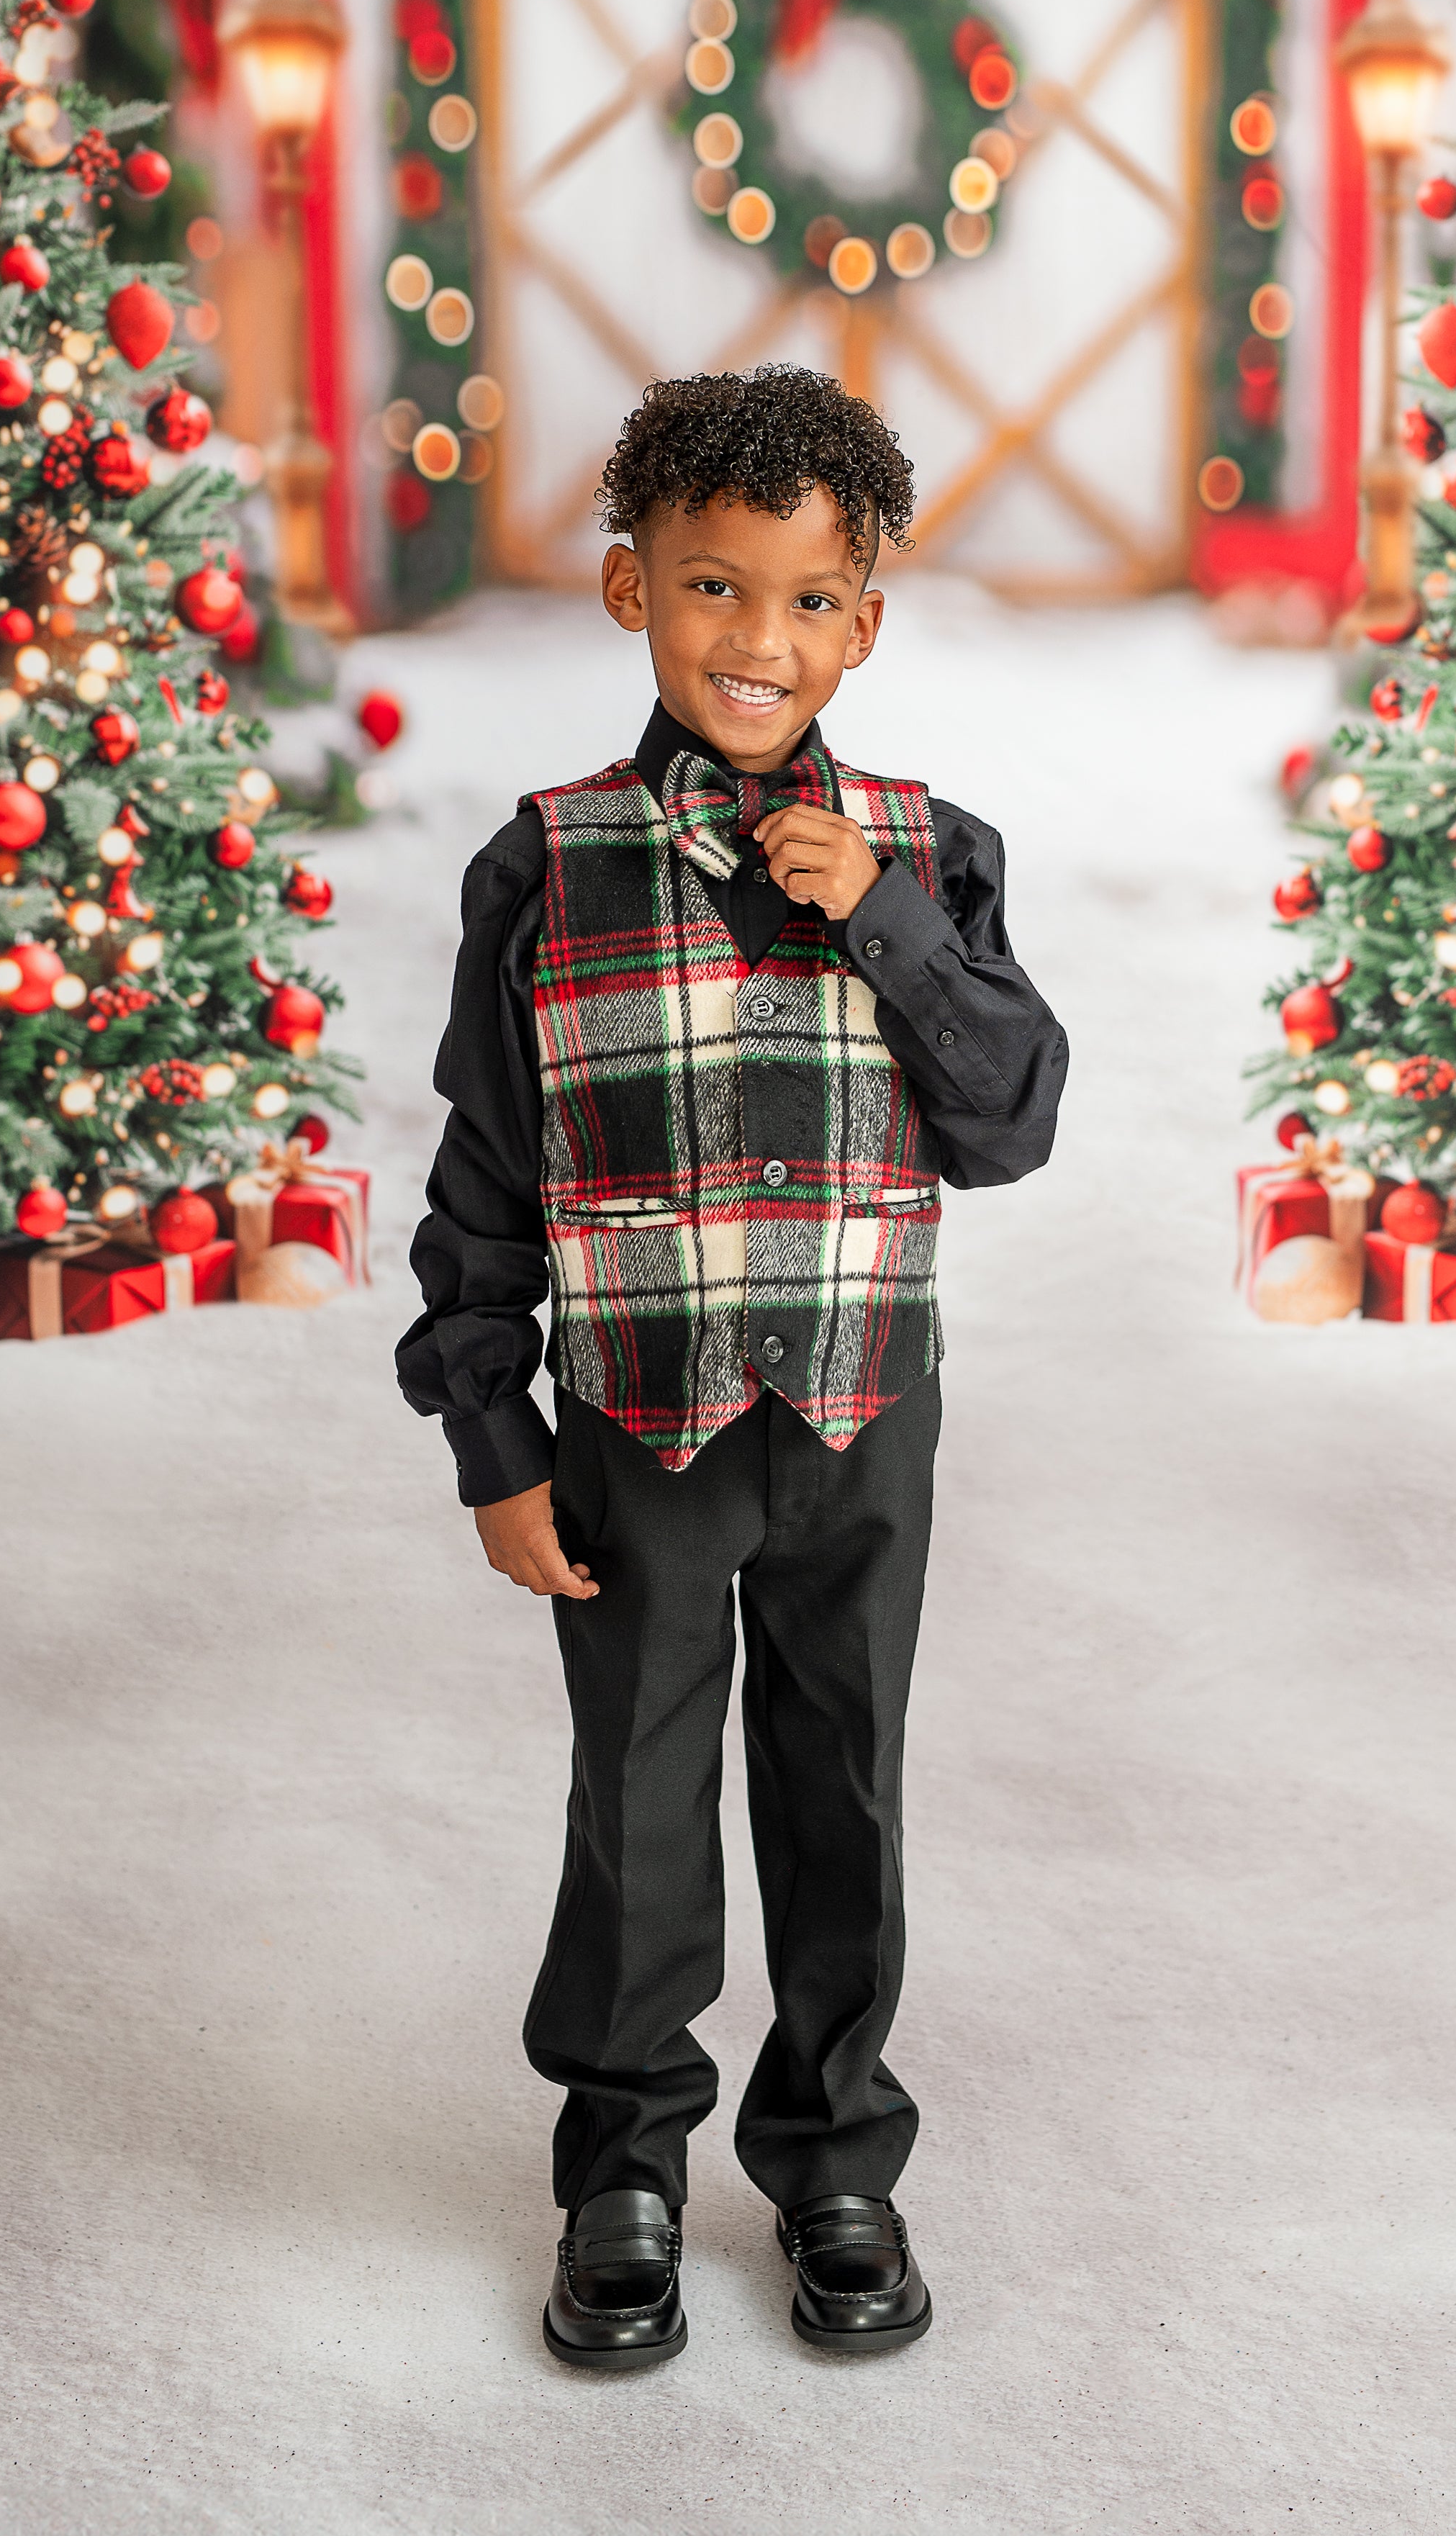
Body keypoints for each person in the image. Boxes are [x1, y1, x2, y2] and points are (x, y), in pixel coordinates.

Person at [399, 364, 1067, 2369]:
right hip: (641, 1418)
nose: (754, 640)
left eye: (802, 600)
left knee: (841, 1787)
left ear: (862, 619)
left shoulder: (928, 853)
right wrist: (491, 1434)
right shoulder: (546, 864)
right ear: (632, 592)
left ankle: (837, 2147)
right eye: (710, 586)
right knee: (642, 1791)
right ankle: (623, 2150)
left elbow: (1014, 1115)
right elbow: (483, 1174)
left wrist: (891, 931)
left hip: (865, 1416)